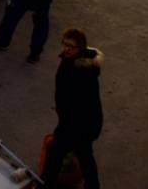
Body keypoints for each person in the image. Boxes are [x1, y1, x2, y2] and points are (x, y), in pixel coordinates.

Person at [40, 28, 103, 189]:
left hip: (77, 123)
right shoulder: (75, 61)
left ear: (79, 49)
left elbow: (79, 104)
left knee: (56, 153)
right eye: (65, 44)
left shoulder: (81, 72)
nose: (67, 48)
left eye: (71, 46)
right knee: (84, 155)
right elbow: (93, 52)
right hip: (80, 122)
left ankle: (46, 183)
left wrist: (66, 125)